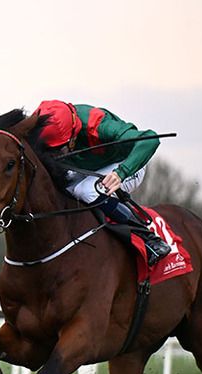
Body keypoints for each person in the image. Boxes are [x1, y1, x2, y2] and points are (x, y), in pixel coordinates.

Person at [34, 99, 172, 266]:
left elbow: (150, 139)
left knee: (86, 190)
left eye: (57, 149)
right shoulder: (43, 122)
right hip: (88, 167)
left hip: (126, 165)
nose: (53, 154)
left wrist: (121, 173)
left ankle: (147, 238)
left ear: (72, 137)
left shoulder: (99, 125)